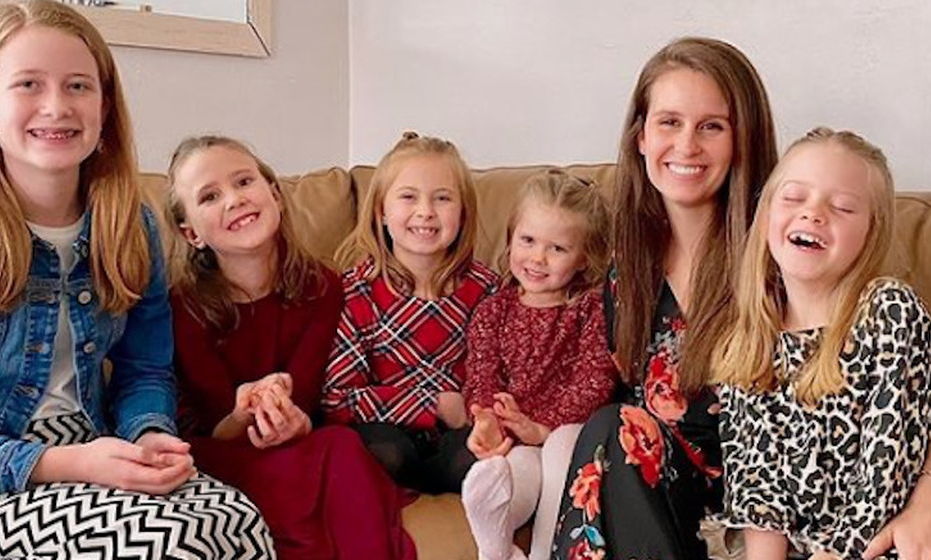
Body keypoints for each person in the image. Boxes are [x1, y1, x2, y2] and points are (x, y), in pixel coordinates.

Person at [0, 3, 273, 558]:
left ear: (105, 108)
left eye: (79, 85)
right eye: (29, 84)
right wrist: (65, 463)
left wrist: (149, 433)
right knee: (169, 544)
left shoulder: (130, 224)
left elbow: (144, 369)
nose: (57, 106)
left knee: (238, 521)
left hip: (96, 445)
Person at [549, 36, 778, 560]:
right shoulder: (626, 272)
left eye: (712, 126)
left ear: (744, 140)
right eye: (669, 122)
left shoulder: (788, 250)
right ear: (641, 139)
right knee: (611, 428)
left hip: (772, 514)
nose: (687, 146)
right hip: (664, 511)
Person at [712, 127, 931, 559]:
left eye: (843, 207)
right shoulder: (748, 338)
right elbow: (757, 492)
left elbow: (887, 464)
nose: (813, 214)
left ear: (871, 232)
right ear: (766, 213)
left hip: (897, 537)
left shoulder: (889, 309)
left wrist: (843, 553)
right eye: (794, 198)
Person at [167, 135, 417, 560]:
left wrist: (291, 419)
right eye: (210, 196)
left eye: (244, 182)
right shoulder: (182, 307)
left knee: (341, 446)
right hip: (223, 449)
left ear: (275, 195)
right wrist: (243, 413)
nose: (234, 199)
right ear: (192, 233)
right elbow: (213, 422)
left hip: (304, 441)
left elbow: (305, 396)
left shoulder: (325, 288)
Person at [321, 131, 499, 494]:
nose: (425, 212)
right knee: (386, 452)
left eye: (443, 198)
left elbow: (503, 375)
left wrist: (476, 412)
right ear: (381, 212)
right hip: (385, 431)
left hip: (459, 434)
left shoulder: (487, 290)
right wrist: (430, 403)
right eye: (408, 197)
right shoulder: (356, 292)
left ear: (463, 214)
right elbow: (338, 398)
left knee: (476, 461)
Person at [459, 169, 618, 560]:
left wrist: (541, 427)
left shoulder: (590, 309)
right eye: (528, 240)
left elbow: (594, 382)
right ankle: (495, 541)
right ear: (511, 236)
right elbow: (480, 376)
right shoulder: (493, 310)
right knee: (511, 472)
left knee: (562, 449)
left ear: (585, 258)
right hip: (516, 436)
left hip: (564, 433)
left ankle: (547, 551)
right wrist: (488, 420)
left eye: (558, 248)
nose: (537, 258)